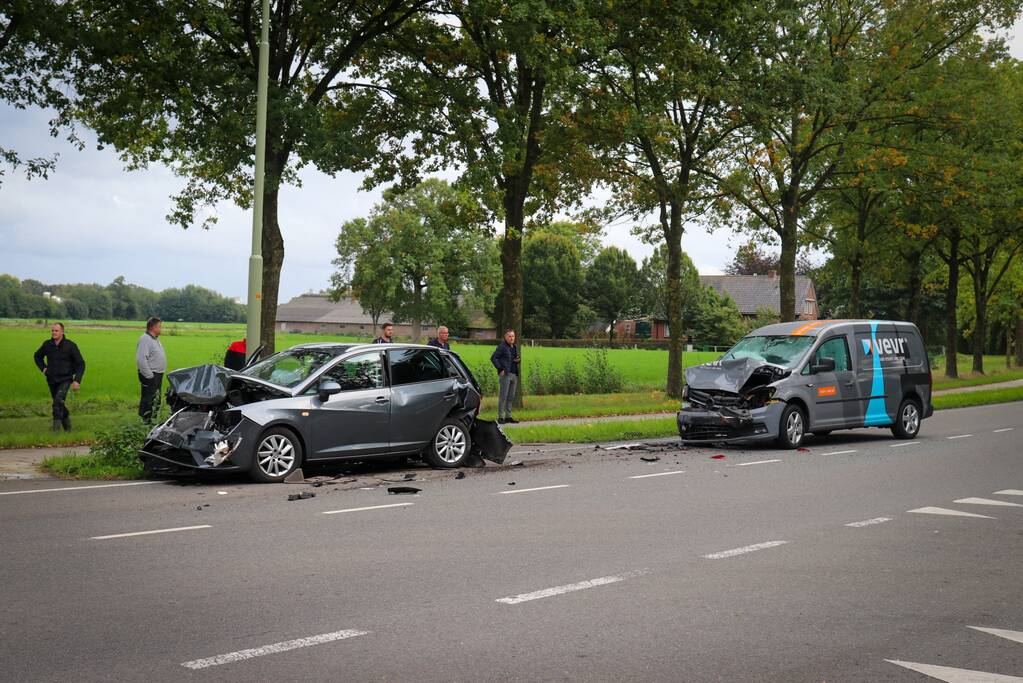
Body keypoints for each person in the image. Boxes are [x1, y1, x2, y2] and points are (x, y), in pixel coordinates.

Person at [33, 322, 85, 432]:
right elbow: (37, 356)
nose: (53, 332)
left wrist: (77, 380)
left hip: (65, 379)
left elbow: (81, 364)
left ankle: (55, 432)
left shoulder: (70, 345)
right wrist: (43, 368)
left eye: (56, 331)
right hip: (51, 379)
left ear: (62, 332)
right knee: (59, 403)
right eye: (52, 330)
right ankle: (69, 429)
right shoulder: (47, 345)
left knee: (57, 402)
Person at [136, 316, 167, 421]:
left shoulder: (154, 339)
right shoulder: (145, 339)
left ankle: (152, 421)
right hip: (151, 375)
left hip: (157, 375)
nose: (161, 329)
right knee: (148, 401)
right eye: (159, 326)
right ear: (153, 327)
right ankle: (145, 423)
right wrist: (149, 376)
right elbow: (141, 359)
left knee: (155, 400)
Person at [490, 329, 520, 424]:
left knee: (511, 397)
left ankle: (508, 416)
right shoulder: (502, 347)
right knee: (503, 396)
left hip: (514, 374)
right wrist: (499, 368)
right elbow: (493, 358)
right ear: (505, 337)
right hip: (505, 375)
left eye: (513, 336)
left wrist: (518, 360)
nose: (512, 338)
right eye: (510, 336)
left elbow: (513, 359)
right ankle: (501, 417)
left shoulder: (514, 347)